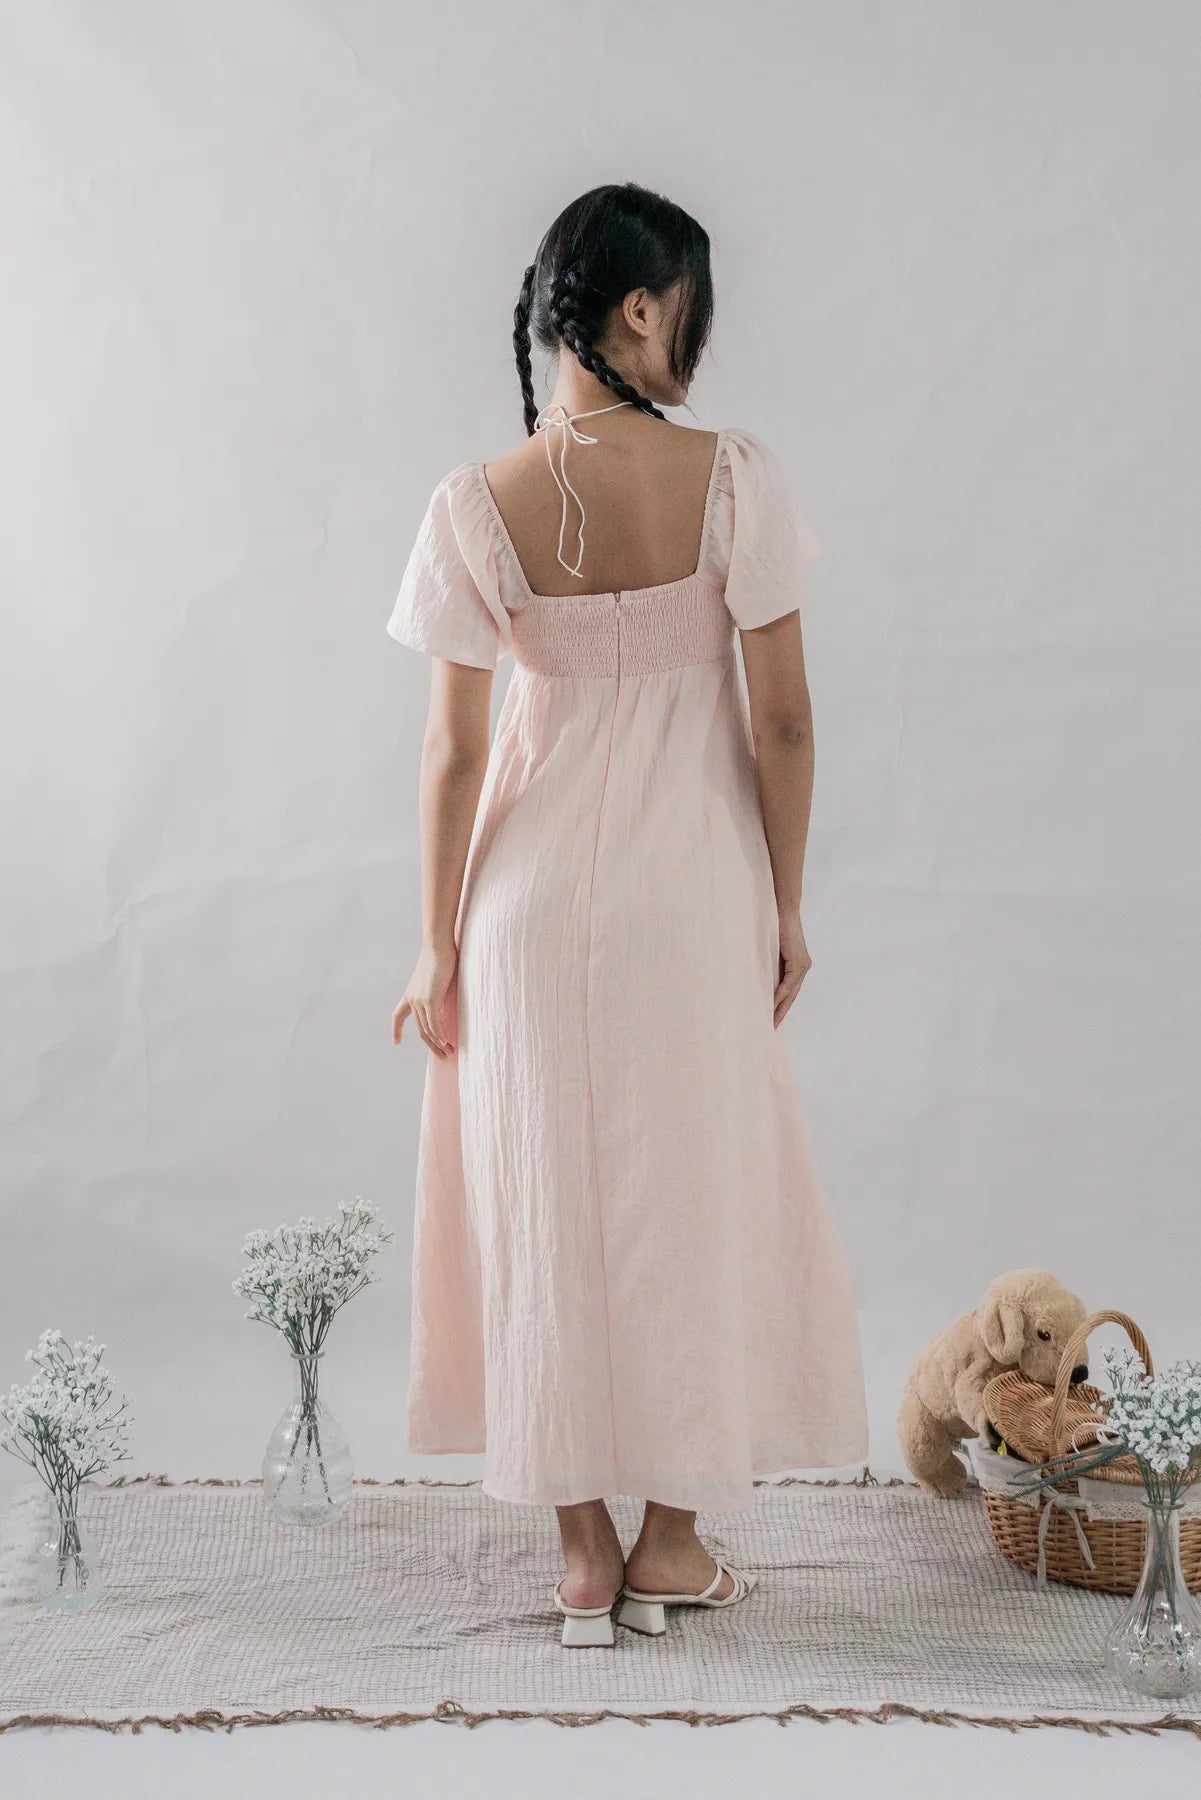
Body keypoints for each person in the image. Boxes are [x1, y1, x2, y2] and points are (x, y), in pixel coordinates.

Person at [388, 181, 868, 1648]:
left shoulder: (476, 501)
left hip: (525, 906)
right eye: (689, 315)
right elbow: (782, 721)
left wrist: (435, 942)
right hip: (693, 890)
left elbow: (453, 751)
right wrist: (787, 906)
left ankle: (584, 1557)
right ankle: (674, 1538)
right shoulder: (732, 480)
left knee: (539, 1198)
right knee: (690, 1193)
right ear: (644, 306)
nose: (694, 350)